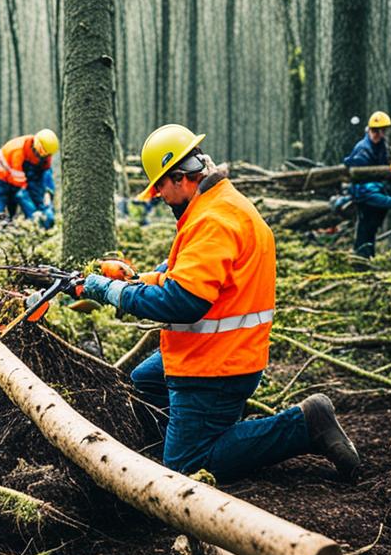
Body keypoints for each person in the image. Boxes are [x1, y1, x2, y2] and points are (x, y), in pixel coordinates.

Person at [82, 123, 360, 483]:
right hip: (214, 351)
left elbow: (183, 302)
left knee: (186, 464)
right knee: (145, 382)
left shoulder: (213, 220)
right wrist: (134, 282)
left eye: (161, 188)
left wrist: (111, 292)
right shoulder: (216, 205)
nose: (159, 197)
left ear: (180, 178)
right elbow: (182, 277)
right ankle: (191, 436)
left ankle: (304, 425)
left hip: (217, 366)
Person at [342, 111, 391, 258]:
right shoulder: (362, 151)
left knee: (372, 229)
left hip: (376, 192)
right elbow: (367, 191)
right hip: (365, 196)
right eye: (375, 131)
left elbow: (384, 174)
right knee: (366, 228)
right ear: (369, 130)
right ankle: (361, 258)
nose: (378, 135)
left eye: (382, 131)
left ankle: (367, 255)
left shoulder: (382, 147)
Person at [0, 130, 58, 229]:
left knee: (36, 196)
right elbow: (19, 185)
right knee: (0, 209)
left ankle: (42, 224)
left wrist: (48, 192)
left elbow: (46, 174)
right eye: (43, 153)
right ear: (37, 145)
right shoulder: (18, 150)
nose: (45, 156)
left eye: (48, 155)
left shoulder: (45, 154)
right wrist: (33, 214)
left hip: (22, 172)